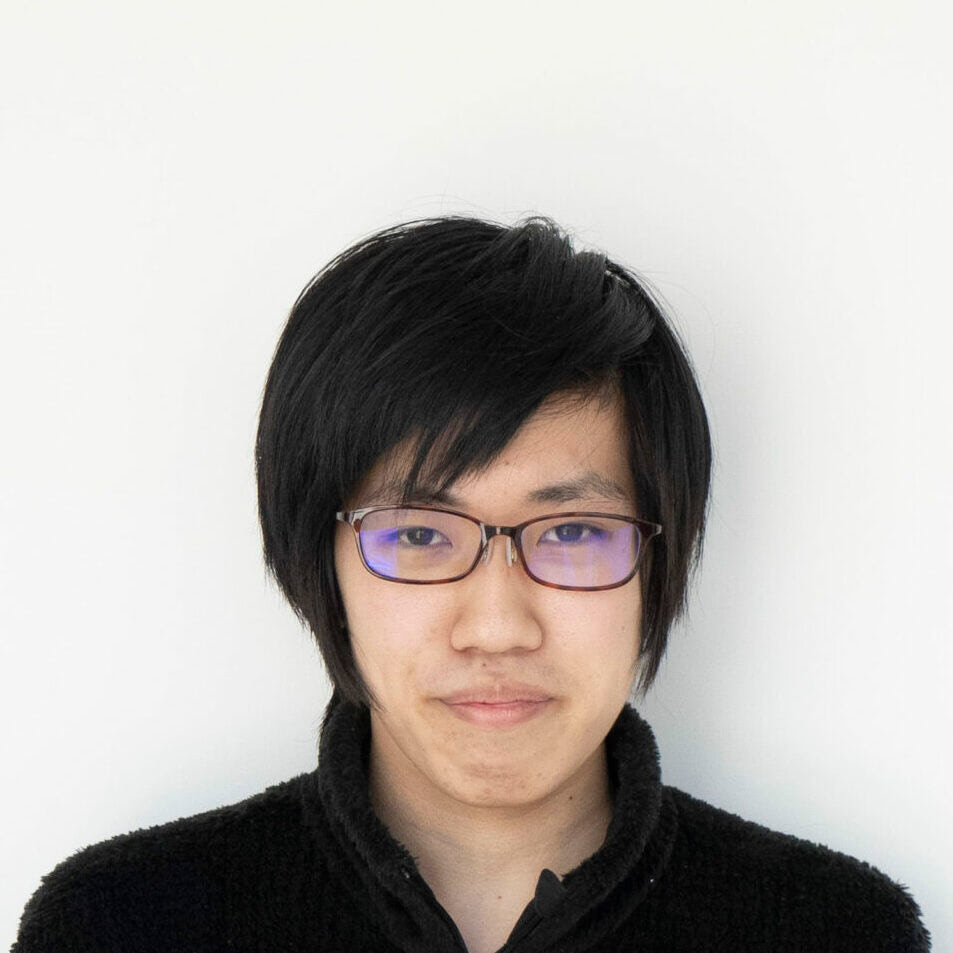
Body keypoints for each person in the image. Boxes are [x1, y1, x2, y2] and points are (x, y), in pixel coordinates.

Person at [13, 215, 931, 952]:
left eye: (572, 532)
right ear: (318, 562)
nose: (495, 625)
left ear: (658, 561)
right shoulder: (125, 922)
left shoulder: (834, 930)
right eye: (417, 533)